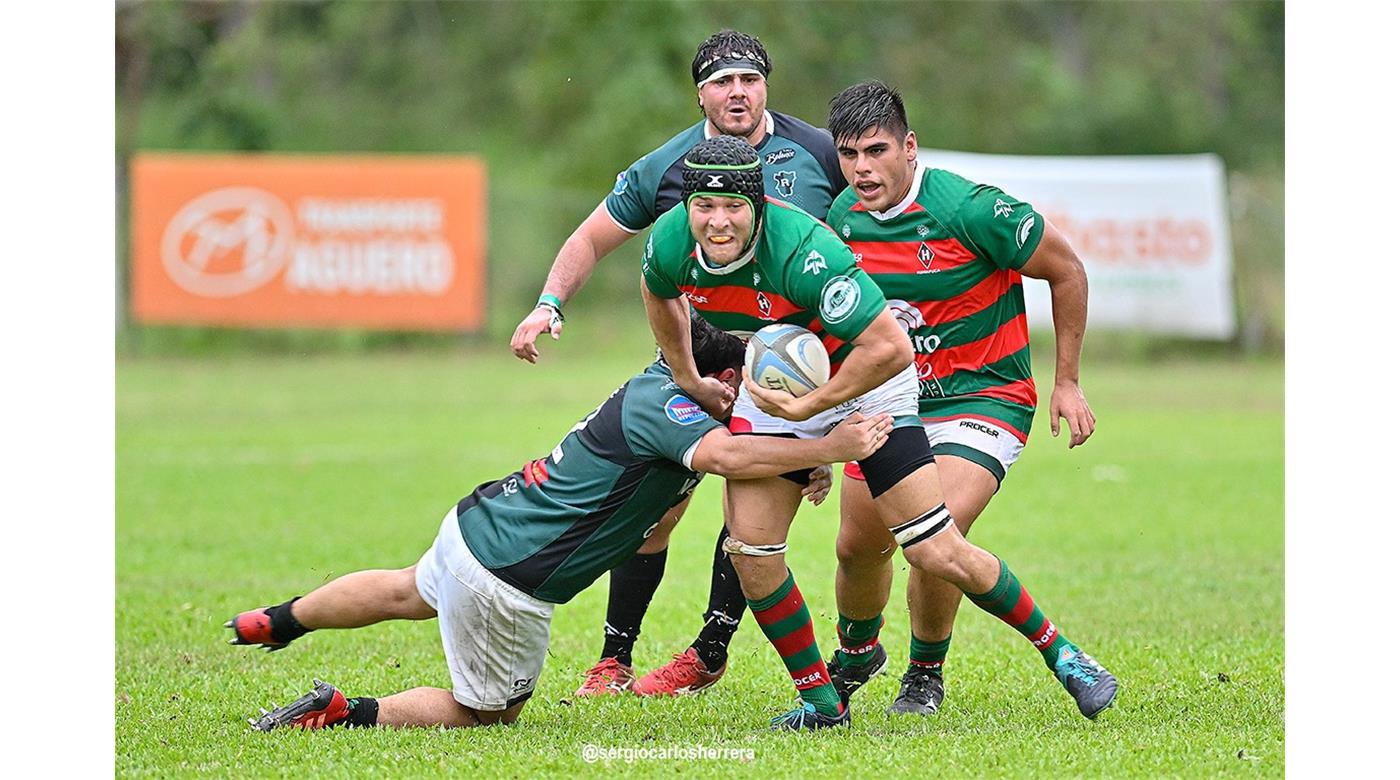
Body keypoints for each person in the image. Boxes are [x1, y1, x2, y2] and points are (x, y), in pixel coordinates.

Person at [641, 133, 1117, 730]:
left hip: (870, 381)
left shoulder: (806, 250)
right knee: (752, 552)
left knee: (933, 548)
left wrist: (818, 412)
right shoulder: (668, 242)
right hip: (783, 385)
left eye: (733, 206)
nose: (717, 221)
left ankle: (1066, 656)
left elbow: (890, 349)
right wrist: (689, 376)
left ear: (758, 204)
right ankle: (821, 702)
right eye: (704, 207)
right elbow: (659, 296)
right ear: (686, 209)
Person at [224, 318, 893, 731]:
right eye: (744, 388)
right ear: (716, 376)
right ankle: (346, 712)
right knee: (488, 713)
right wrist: (829, 448)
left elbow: (746, 450)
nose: (751, 402)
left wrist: (799, 460)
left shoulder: (660, 387)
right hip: (510, 580)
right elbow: (725, 453)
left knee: (406, 590)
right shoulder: (676, 413)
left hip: (478, 525)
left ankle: (278, 620)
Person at [509, 29, 848, 699]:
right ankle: (614, 658)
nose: (737, 92)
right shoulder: (668, 165)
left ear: (766, 86)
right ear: (701, 93)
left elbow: (866, 227)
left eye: (748, 79)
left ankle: (710, 650)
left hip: (787, 371)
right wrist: (549, 303)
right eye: (722, 82)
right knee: (654, 510)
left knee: (747, 511)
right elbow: (591, 235)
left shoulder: (818, 153)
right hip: (695, 364)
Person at [819, 80, 1107, 718]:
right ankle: (858, 655)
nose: (863, 169)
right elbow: (842, 330)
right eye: (849, 155)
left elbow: (1068, 269)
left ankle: (924, 674)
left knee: (935, 533)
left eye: (877, 150)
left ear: (910, 147)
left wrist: (1067, 380)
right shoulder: (841, 218)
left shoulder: (970, 209)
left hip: (984, 396)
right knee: (857, 546)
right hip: (890, 403)